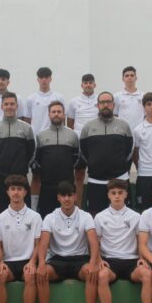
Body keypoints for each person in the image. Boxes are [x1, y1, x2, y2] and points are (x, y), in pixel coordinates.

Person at [34, 181, 100, 303]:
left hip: (80, 260)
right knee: (41, 274)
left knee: (92, 273)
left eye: (70, 195)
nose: (67, 199)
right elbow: (43, 243)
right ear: (58, 198)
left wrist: (93, 263)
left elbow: (93, 242)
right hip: (58, 260)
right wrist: (41, 263)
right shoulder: (50, 217)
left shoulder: (85, 216)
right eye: (63, 195)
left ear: (75, 196)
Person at [94, 179, 152, 303]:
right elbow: (95, 242)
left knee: (147, 274)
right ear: (108, 195)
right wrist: (98, 259)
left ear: (126, 194)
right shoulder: (100, 217)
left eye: (120, 193)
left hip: (131, 262)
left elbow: (141, 241)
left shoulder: (136, 216)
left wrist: (142, 258)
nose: (117, 196)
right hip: (110, 261)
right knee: (101, 275)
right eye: (113, 193)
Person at [0, 175, 42, 303]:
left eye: (19, 189)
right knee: (0, 275)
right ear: (7, 192)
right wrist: (0, 262)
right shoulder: (0, 218)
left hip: (28, 261)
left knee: (30, 276)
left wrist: (32, 261)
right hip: (7, 262)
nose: (16, 193)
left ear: (25, 192)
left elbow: (38, 244)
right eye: (12, 189)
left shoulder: (35, 217)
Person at [80, 91, 133, 216]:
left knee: (124, 216)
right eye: (102, 102)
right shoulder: (88, 127)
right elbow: (84, 151)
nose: (105, 105)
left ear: (113, 105)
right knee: (95, 216)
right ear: (97, 105)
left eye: (108, 102)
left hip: (120, 179)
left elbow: (129, 150)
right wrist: (94, 164)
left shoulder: (124, 126)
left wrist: (120, 166)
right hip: (96, 180)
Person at [0, 92, 36, 217]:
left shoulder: (26, 128)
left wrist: (22, 167)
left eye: (12, 104)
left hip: (20, 178)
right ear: (2, 106)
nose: (9, 107)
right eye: (6, 104)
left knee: (23, 215)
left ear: (16, 106)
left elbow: (32, 151)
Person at [26, 67, 65, 210]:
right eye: (41, 77)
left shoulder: (59, 97)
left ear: (50, 79)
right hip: (38, 142)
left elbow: (63, 119)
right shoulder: (31, 98)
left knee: (56, 175)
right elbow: (27, 121)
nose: (44, 80)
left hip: (54, 142)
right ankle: (34, 208)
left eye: (46, 77)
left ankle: (60, 206)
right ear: (38, 79)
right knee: (36, 176)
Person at [33, 101, 79, 217]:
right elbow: (37, 159)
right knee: (46, 218)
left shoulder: (73, 135)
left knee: (67, 218)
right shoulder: (40, 135)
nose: (56, 114)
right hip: (47, 186)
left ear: (64, 114)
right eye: (53, 112)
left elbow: (76, 159)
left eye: (59, 112)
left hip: (67, 187)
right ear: (49, 115)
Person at [67, 74, 98, 207]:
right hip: (80, 144)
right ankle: (77, 208)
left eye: (90, 82)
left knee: (96, 176)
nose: (88, 85)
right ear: (82, 85)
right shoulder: (74, 102)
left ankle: (95, 207)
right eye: (86, 83)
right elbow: (70, 123)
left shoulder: (100, 100)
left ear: (94, 85)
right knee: (79, 176)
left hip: (96, 143)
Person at [113, 66, 144, 131]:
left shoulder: (143, 96)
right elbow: (115, 115)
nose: (129, 77)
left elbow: (146, 115)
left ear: (136, 78)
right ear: (123, 79)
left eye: (132, 75)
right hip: (123, 131)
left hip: (140, 131)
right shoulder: (117, 96)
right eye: (126, 76)